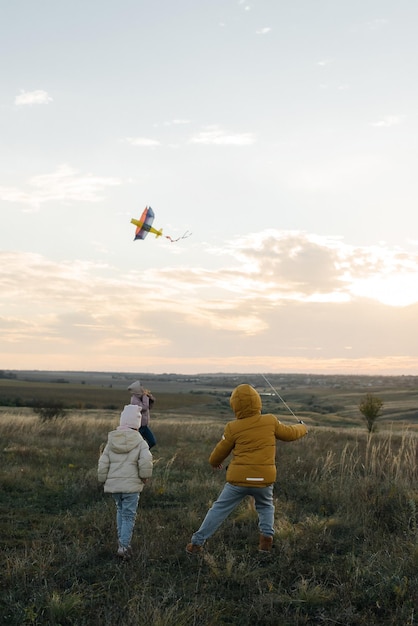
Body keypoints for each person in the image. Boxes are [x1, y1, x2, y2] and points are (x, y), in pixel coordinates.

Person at [186, 383, 307, 554]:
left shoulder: (232, 427)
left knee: (219, 509)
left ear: (234, 405)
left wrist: (214, 463)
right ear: (258, 402)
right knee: (265, 507)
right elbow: (290, 434)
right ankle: (266, 541)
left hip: (238, 480)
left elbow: (219, 452)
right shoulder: (270, 420)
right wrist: (303, 426)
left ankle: (196, 544)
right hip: (264, 479)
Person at [98, 404, 153, 559]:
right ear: (137, 424)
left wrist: (102, 479)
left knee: (120, 510)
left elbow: (103, 462)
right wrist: (144, 477)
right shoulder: (141, 441)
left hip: (114, 486)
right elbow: (146, 461)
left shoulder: (112, 440)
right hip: (132, 486)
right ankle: (123, 547)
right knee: (129, 515)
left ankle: (122, 542)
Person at [128, 380, 157, 449]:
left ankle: (144, 452)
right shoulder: (134, 400)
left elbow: (148, 406)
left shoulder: (140, 397)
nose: (143, 388)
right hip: (138, 427)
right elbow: (144, 407)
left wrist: (149, 398)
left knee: (152, 442)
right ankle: (139, 455)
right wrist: (145, 397)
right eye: (141, 387)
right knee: (136, 445)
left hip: (144, 426)